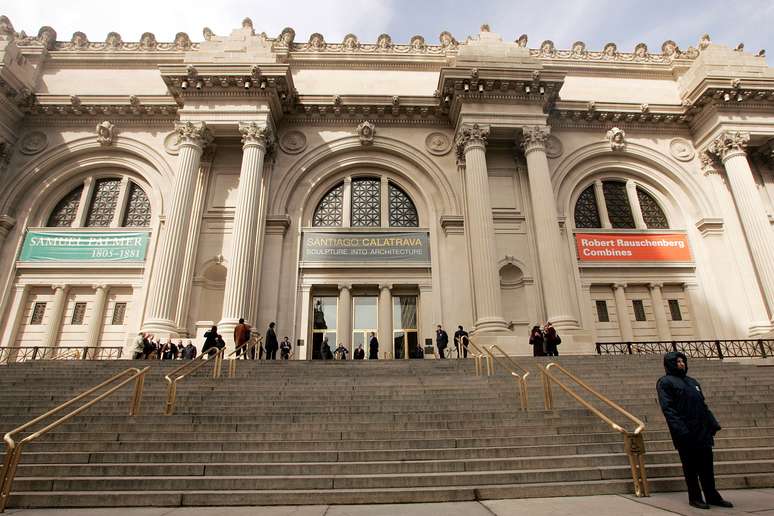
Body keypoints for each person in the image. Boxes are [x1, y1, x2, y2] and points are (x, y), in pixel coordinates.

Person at [657, 352, 733, 510]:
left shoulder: (692, 382)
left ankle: (712, 496)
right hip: (685, 432)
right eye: (677, 361)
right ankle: (695, 497)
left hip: (702, 430)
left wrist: (712, 423)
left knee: (707, 466)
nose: (681, 364)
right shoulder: (665, 382)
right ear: (670, 364)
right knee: (691, 468)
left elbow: (703, 405)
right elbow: (668, 409)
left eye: (682, 361)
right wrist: (680, 430)